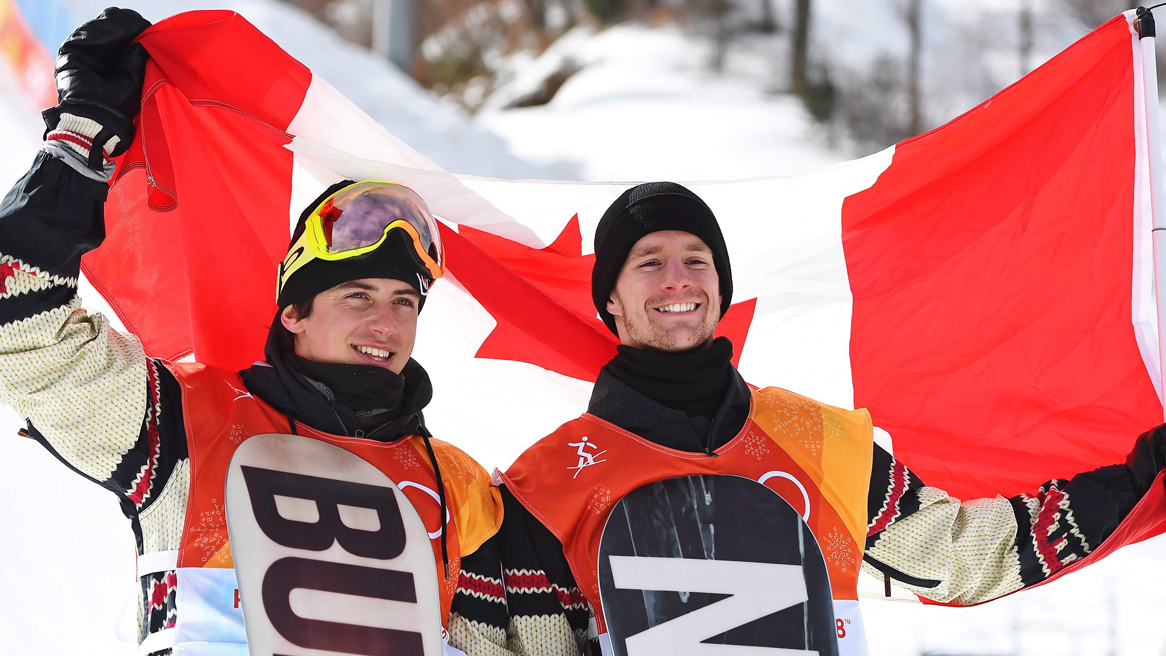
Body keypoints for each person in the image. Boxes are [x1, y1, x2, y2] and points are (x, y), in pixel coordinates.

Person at [467, 182, 1166, 655]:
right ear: (610, 301)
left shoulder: (818, 441)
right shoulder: (547, 483)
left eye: (696, 260)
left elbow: (962, 556)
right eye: (648, 262)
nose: (677, 279)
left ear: (720, 287)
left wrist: (1139, 483)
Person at [0, 9, 506, 655]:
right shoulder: (182, 422)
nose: (387, 322)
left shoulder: (458, 487)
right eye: (356, 296)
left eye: (405, 301)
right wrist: (83, 137)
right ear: (291, 313)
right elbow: (15, 319)